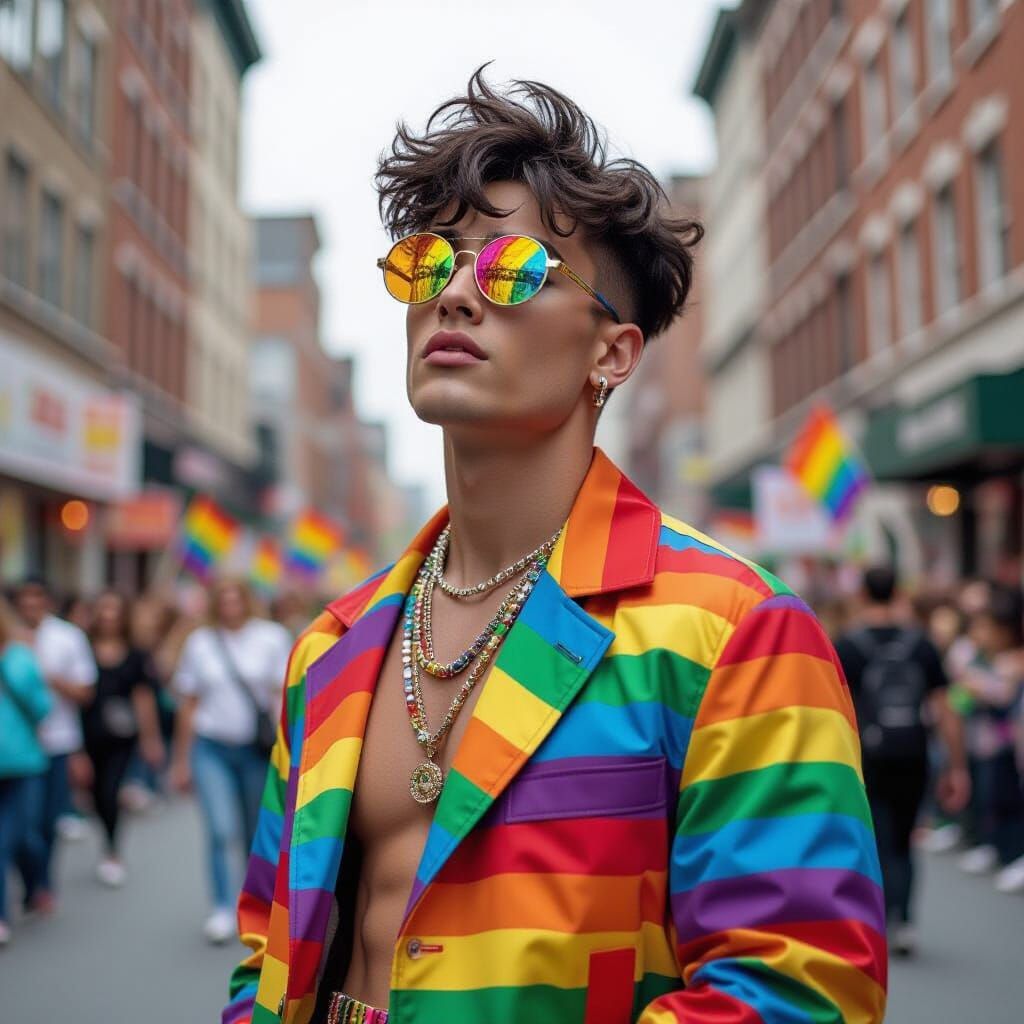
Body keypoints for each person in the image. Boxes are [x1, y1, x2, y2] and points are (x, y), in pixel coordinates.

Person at [223, 69, 887, 1024]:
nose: (454, 292)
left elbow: (799, 986)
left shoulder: (733, 630)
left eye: (513, 268)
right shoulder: (334, 642)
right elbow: (267, 950)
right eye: (432, 262)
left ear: (610, 354)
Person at [835, 566, 968, 956]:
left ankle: (873, 920)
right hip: (913, 752)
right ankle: (904, 920)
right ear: (897, 593)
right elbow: (944, 708)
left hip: (866, 754)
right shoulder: (921, 644)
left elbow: (836, 708)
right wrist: (956, 766)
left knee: (872, 835)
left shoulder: (847, 645)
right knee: (905, 839)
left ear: (861, 595)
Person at [170, 579, 291, 944]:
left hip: (256, 750)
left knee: (257, 830)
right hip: (211, 749)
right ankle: (223, 906)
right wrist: (180, 760)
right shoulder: (201, 642)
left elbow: (285, 694)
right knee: (221, 829)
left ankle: (259, 905)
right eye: (222, 598)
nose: (230, 604)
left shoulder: (271, 637)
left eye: (236, 596)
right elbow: (188, 703)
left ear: (248, 599)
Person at [11, 576, 97, 914]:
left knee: (46, 821)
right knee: (23, 824)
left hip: (57, 743)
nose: (31, 605)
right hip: (15, 748)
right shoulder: (7, 637)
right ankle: (31, 881)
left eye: (37, 598)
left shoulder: (67, 637)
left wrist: (44, 676)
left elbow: (85, 692)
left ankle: (42, 884)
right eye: (24, 598)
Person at [82, 591, 165, 886]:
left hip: (121, 736)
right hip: (85, 734)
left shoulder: (135, 654)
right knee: (93, 795)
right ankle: (107, 838)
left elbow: (143, 698)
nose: (108, 616)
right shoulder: (82, 648)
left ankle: (112, 850)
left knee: (110, 790)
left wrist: (151, 739)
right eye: (103, 608)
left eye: (114, 610)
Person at [951, 583, 1024, 891]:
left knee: (1009, 799)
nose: (982, 634)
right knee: (991, 796)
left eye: (987, 628)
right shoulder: (984, 658)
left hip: (1008, 744)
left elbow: (1001, 693)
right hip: (987, 742)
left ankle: (1014, 853)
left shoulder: (1013, 661)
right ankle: (996, 846)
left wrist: (976, 684)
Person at [0, 598, 51, 947]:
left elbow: (41, 706)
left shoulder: (19, 658)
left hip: (21, 765)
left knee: (22, 836)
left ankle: (37, 883)